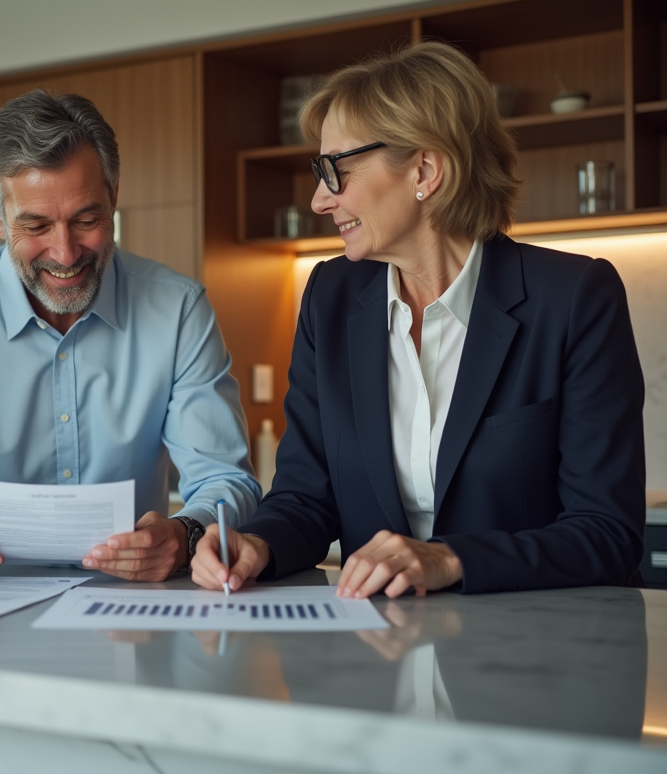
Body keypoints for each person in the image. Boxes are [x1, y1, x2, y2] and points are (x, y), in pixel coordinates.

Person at [192, 42, 645, 598]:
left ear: (425, 170)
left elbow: (607, 534)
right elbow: (306, 499)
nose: (318, 199)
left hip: (533, 654)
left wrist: (450, 559)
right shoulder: (329, 297)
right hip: (379, 654)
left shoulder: (575, 298)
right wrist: (258, 542)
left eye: (337, 170)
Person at [0, 90, 260, 581]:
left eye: (87, 220)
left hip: (131, 612)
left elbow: (225, 480)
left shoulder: (178, 310)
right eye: (36, 225)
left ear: (114, 196)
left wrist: (183, 537)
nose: (65, 253)